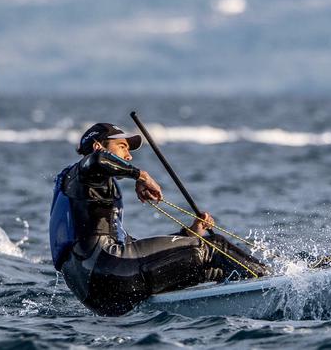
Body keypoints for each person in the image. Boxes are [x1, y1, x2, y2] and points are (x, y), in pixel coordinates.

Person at [49, 123, 267, 316]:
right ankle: (269, 285)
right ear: (98, 146)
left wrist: (187, 235)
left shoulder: (85, 192)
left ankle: (241, 303)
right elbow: (97, 160)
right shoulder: (83, 171)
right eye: (122, 147)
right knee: (213, 246)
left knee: (210, 268)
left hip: (98, 293)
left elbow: (132, 249)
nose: (129, 156)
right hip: (108, 274)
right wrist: (141, 176)